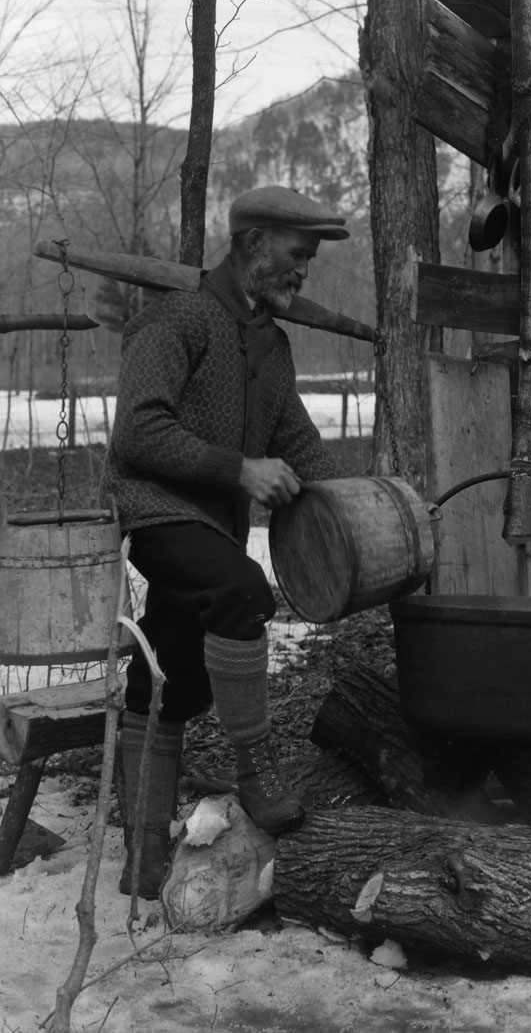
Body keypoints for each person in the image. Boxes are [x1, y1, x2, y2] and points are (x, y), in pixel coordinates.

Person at [102, 185, 349, 898]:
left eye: (308, 259)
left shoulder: (272, 343)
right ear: (249, 245)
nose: (302, 271)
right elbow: (137, 431)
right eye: (295, 254)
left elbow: (297, 440)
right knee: (242, 590)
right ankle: (256, 767)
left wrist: (356, 506)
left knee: (171, 678)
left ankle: (144, 856)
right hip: (154, 512)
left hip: (212, 528)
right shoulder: (175, 319)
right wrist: (238, 468)